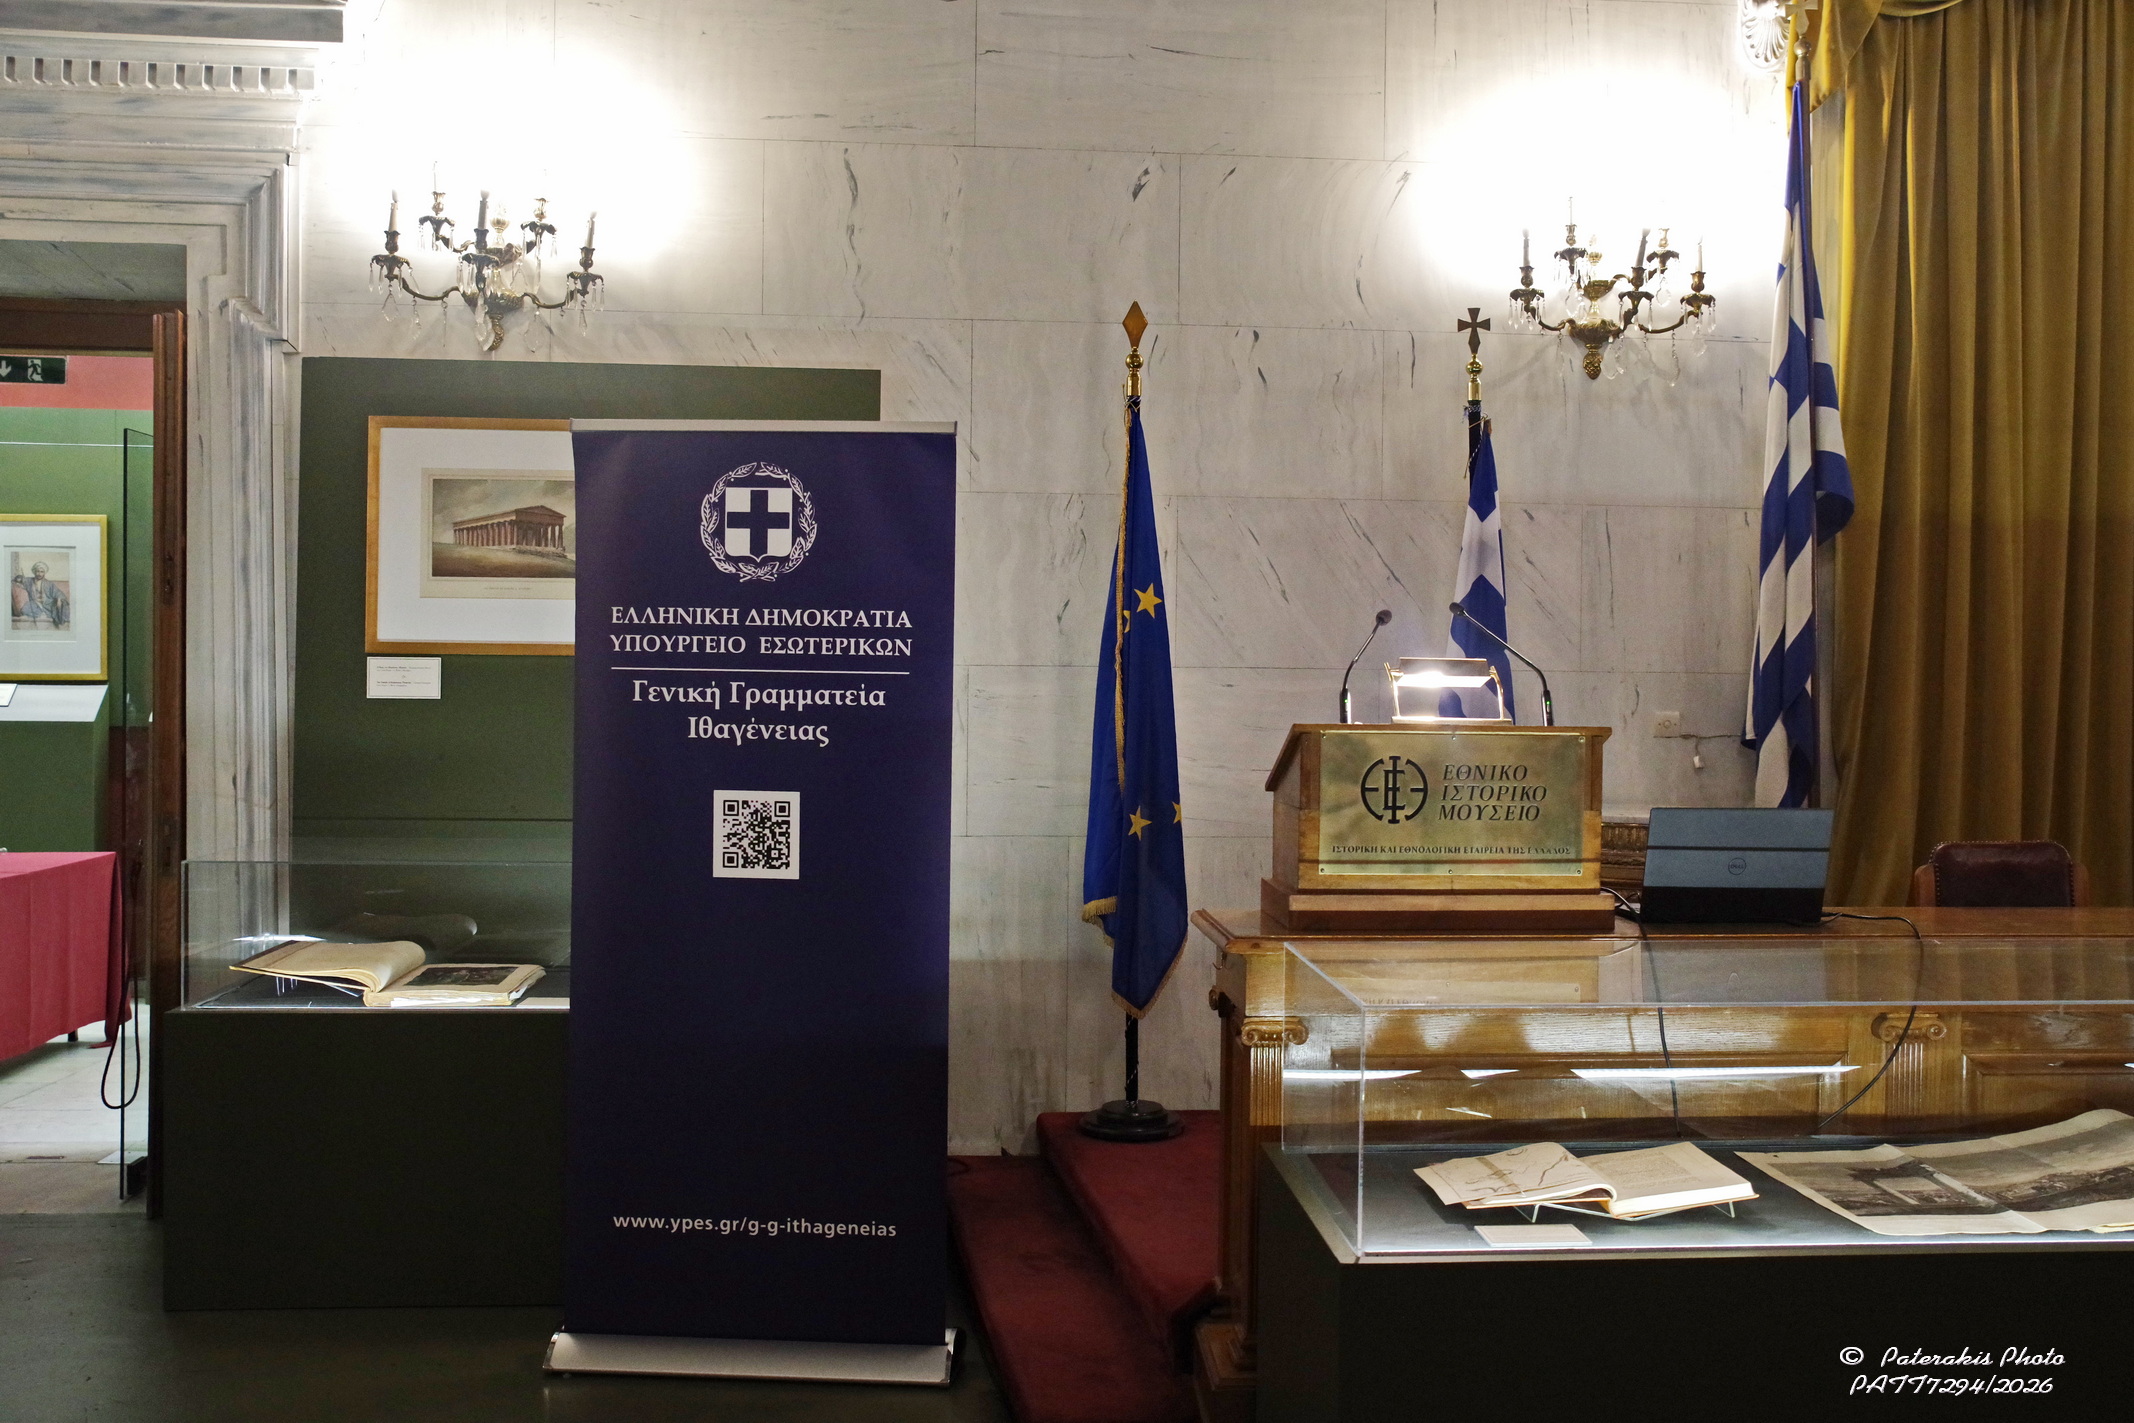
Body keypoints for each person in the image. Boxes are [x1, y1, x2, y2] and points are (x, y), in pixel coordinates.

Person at [10, 560, 69, 629]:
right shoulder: (29, 581)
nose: (39, 574)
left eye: (42, 572)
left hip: (47, 603)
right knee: (25, 609)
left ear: (44, 573)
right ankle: (42, 613)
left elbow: (58, 592)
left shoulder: (49, 583)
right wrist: (19, 578)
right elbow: (19, 578)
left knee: (60, 607)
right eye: (38, 571)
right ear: (34, 572)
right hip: (34, 603)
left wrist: (59, 599)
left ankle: (47, 614)